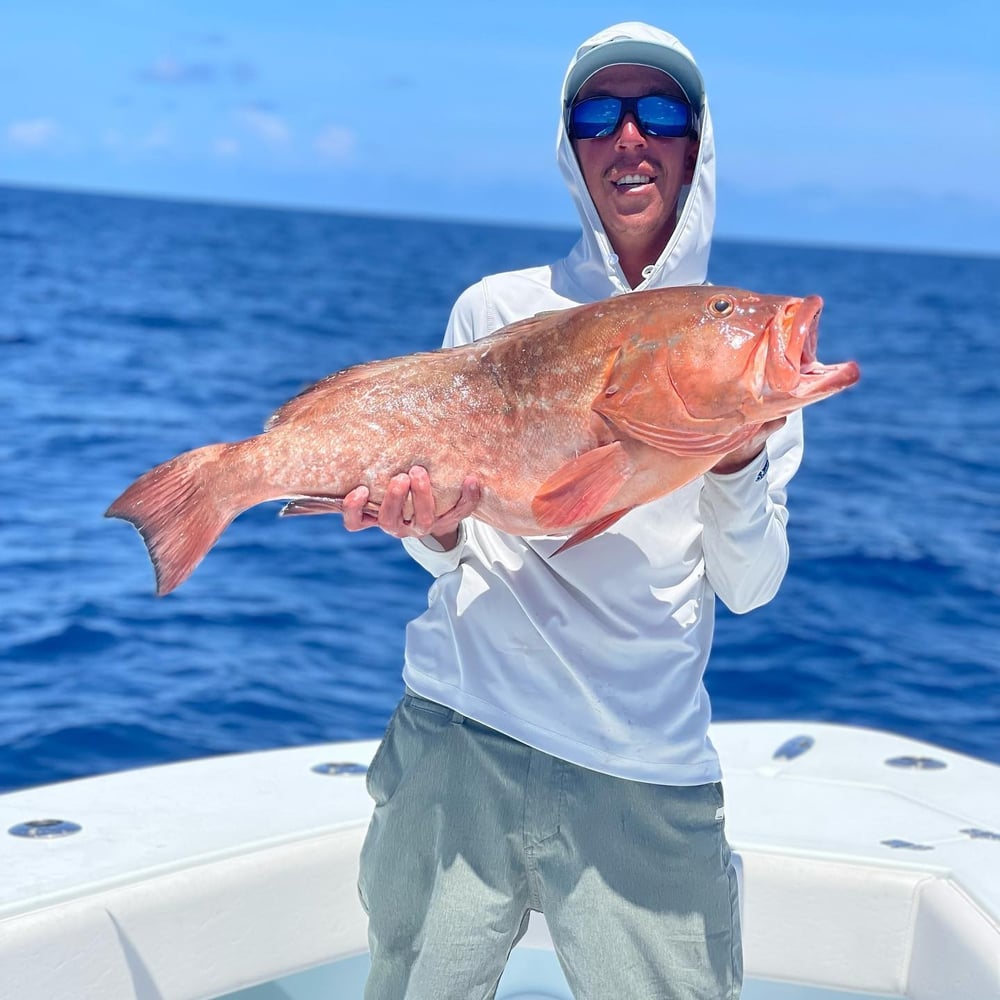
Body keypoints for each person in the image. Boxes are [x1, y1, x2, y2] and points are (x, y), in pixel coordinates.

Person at [344, 21, 801, 1000]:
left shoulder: (747, 352)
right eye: (599, 114)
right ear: (571, 147)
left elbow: (751, 586)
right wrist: (427, 523)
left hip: (644, 760)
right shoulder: (493, 310)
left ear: (695, 144)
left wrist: (739, 458)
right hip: (463, 726)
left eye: (660, 112)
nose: (628, 136)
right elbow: (458, 546)